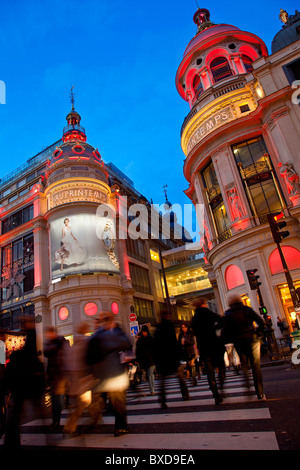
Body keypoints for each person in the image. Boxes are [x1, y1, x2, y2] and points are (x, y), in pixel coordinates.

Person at [87, 312, 132, 437]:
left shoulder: (96, 335)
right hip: (115, 374)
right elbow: (127, 343)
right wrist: (116, 328)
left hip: (102, 376)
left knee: (112, 402)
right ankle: (120, 427)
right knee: (119, 403)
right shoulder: (113, 334)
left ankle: (97, 417)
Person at [3, 317, 45, 448]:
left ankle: (11, 441)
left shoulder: (31, 336)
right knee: (32, 410)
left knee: (17, 413)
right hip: (28, 381)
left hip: (25, 382)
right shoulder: (32, 336)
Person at [222, 294, 265, 399]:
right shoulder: (247, 309)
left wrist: (228, 339)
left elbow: (225, 330)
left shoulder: (228, 314)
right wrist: (258, 332)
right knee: (256, 365)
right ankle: (259, 391)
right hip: (252, 338)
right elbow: (261, 321)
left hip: (238, 341)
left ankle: (247, 382)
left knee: (244, 363)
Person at [63, 322, 100, 437]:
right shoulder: (86, 342)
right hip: (85, 376)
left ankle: (95, 418)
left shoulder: (72, 345)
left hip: (76, 378)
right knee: (84, 403)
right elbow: (90, 359)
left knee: (86, 401)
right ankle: (70, 428)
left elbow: (68, 363)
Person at [192, 298, 225, 404]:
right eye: (205, 303)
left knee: (209, 371)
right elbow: (221, 320)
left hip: (203, 347)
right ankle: (221, 383)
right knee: (221, 365)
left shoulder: (194, 318)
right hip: (214, 343)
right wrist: (214, 328)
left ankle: (215, 394)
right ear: (203, 304)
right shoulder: (208, 313)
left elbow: (195, 333)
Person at [154, 310, 187, 408]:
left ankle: (162, 399)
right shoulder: (169, 326)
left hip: (163, 359)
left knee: (163, 381)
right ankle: (185, 394)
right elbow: (174, 342)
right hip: (171, 357)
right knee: (180, 377)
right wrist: (179, 355)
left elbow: (156, 345)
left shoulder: (158, 328)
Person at [44, 326, 70, 430]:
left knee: (57, 399)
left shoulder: (59, 342)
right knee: (55, 398)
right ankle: (55, 420)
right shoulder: (52, 343)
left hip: (59, 374)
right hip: (54, 374)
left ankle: (56, 420)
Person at [136, 325, 156, 396]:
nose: (144, 333)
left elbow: (155, 350)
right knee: (148, 375)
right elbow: (138, 350)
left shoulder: (151, 339)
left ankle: (152, 390)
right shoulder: (140, 340)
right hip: (145, 360)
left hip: (151, 360)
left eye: (145, 332)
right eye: (143, 332)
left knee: (150, 375)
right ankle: (151, 389)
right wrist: (137, 359)